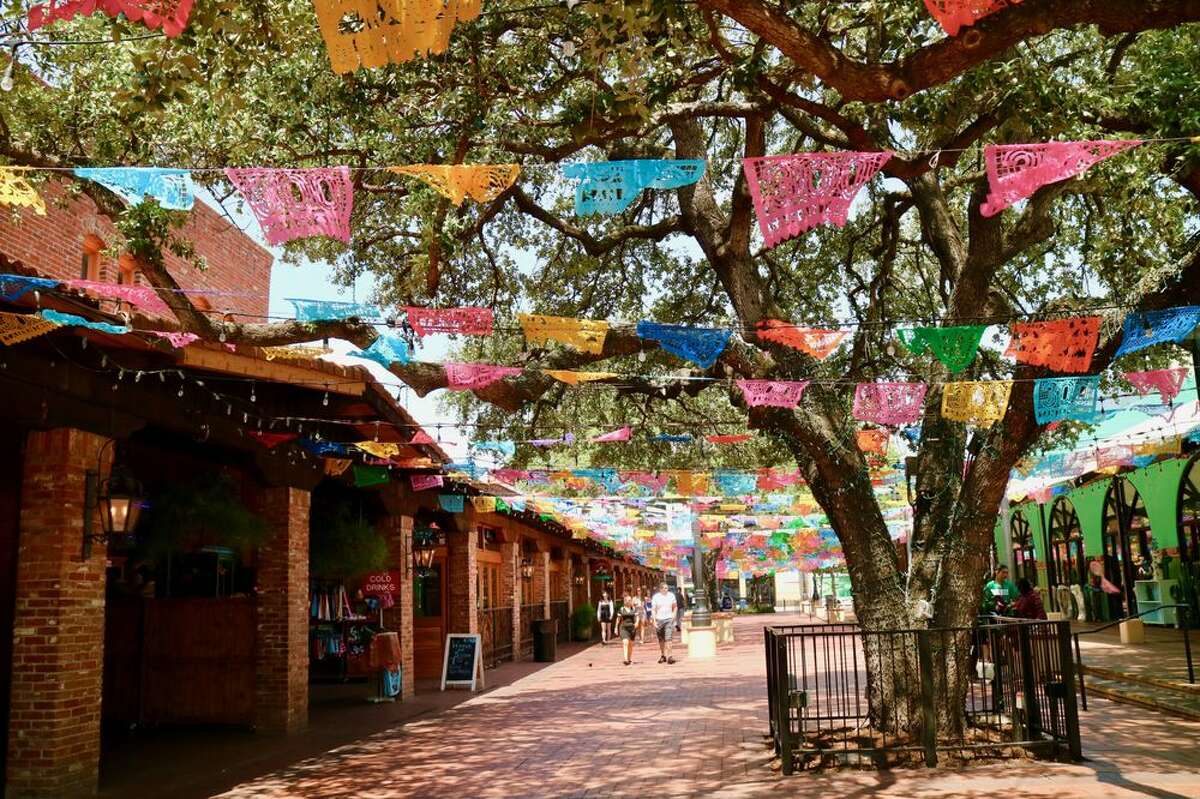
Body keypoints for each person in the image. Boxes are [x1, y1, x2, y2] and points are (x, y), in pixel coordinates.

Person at [651, 582, 678, 664]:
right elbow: (653, 610)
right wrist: (654, 621)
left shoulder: (671, 596)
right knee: (661, 639)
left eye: (666, 588)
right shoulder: (656, 597)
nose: (666, 589)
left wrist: (673, 617)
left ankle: (670, 656)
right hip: (659, 619)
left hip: (668, 619)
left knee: (668, 638)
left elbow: (675, 607)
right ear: (660, 589)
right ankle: (663, 655)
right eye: (664, 588)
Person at [617, 594, 641, 665]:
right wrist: (616, 627)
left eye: (630, 600)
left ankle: (629, 658)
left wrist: (637, 622)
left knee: (630, 644)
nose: (630, 601)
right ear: (625, 601)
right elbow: (618, 619)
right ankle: (625, 659)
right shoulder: (621, 609)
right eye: (629, 600)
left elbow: (637, 617)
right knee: (625, 642)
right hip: (623, 628)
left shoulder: (634, 609)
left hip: (632, 628)